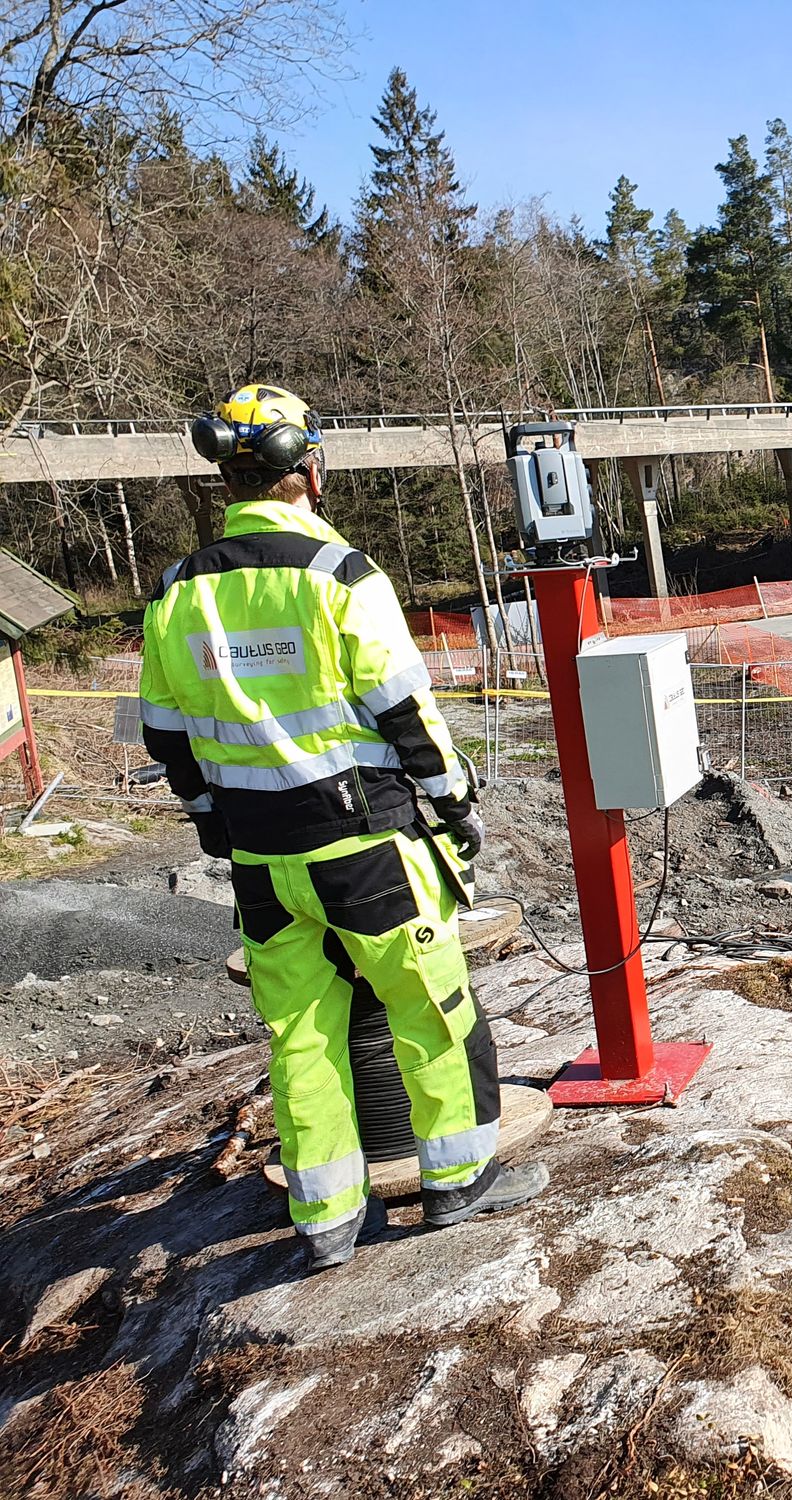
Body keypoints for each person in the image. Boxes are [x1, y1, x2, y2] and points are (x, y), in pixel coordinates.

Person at [140, 384, 545, 1270]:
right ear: (309, 471)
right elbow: (404, 711)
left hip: (260, 858)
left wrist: (214, 818)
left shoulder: (177, 593)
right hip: (366, 848)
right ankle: (458, 1182)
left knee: (299, 1032)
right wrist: (454, 801)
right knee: (432, 1009)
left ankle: (326, 1221)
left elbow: (165, 733)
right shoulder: (339, 578)